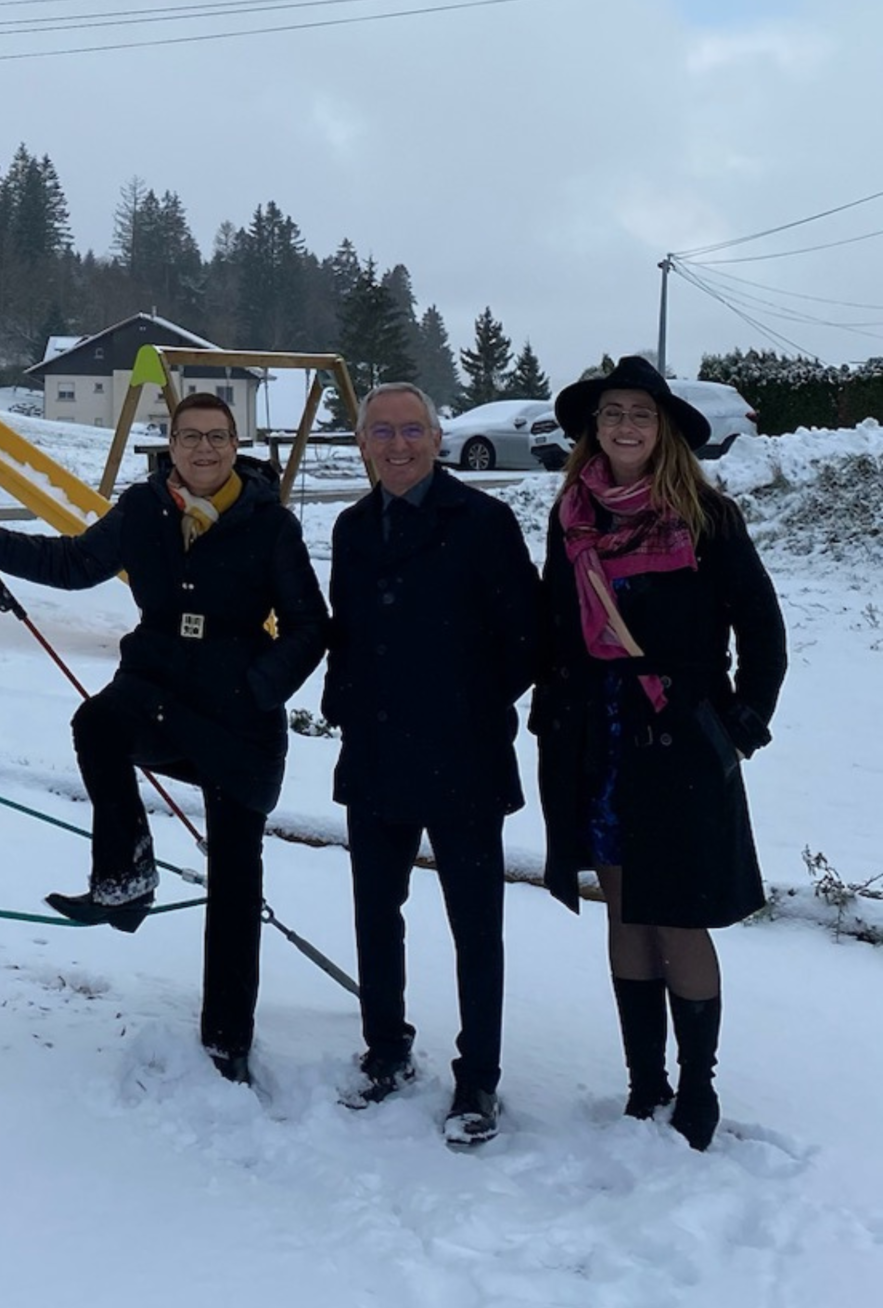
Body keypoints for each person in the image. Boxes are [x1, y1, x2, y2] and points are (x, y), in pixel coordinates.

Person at [0, 392, 328, 1086]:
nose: (204, 450)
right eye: (190, 438)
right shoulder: (143, 508)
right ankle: (125, 876)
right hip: (154, 696)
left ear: (235, 442)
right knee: (96, 726)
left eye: (217, 437)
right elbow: (69, 564)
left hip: (237, 714)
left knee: (236, 883)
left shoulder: (269, 524)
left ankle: (226, 1041)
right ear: (171, 445)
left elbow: (310, 625)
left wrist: (258, 687)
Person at [532, 356, 785, 1150]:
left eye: (640, 413)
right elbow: (552, 623)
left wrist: (738, 724)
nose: (626, 426)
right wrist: (548, 705)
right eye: (612, 413)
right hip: (599, 740)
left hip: (678, 742)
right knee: (626, 910)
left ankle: (698, 1084)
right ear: (593, 428)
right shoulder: (573, 515)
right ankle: (645, 1083)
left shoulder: (706, 517)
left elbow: (764, 632)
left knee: (676, 916)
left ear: (664, 427)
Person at [323, 382, 539, 1147]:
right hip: (376, 749)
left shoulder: (483, 522)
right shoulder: (351, 527)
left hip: (463, 755)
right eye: (380, 431)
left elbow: (526, 638)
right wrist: (341, 700)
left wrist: (468, 704)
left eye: (411, 429)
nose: (397, 444)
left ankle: (477, 1078)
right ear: (362, 444)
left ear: (437, 438)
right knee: (375, 913)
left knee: (474, 926)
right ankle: (386, 1051)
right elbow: (345, 629)